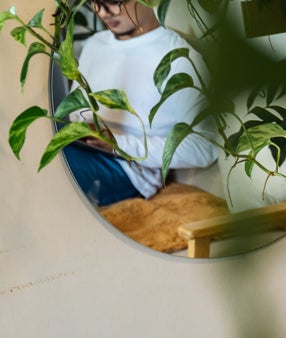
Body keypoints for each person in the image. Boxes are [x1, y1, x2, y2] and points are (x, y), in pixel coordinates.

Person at [63, 0, 218, 206]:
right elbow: (75, 112)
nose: (103, 12)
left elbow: (205, 148)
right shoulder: (95, 44)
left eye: (115, 1)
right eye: (96, 2)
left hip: (129, 170)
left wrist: (118, 144)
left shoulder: (179, 58)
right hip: (82, 149)